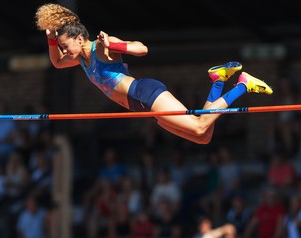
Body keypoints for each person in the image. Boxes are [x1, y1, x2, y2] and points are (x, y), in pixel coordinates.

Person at [35, 3, 273, 145]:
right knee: (204, 137)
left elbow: (142, 48)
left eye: (65, 45)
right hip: (142, 108)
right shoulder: (80, 60)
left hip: (144, 93)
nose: (64, 50)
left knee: (200, 127)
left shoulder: (101, 46)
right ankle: (219, 79)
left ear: (79, 38)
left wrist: (115, 46)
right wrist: (50, 40)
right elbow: (56, 63)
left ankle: (242, 84)